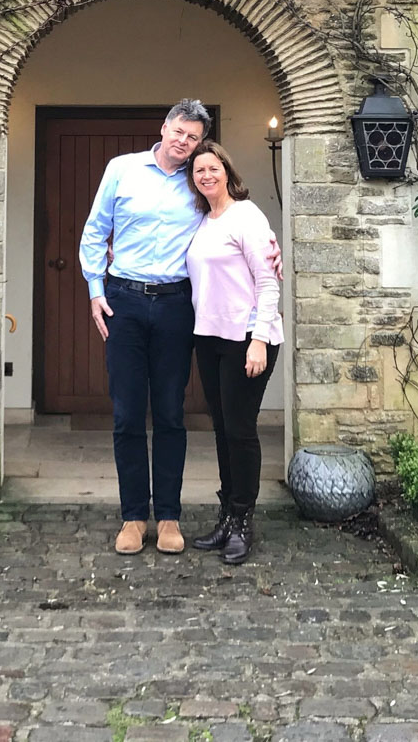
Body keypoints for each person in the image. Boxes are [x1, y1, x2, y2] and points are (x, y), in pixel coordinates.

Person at [80, 99, 212, 555]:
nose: (184, 141)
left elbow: (227, 219)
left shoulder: (200, 180)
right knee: (128, 413)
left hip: (177, 304)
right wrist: (96, 290)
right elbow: (96, 231)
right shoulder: (123, 169)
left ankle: (170, 517)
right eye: (179, 131)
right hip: (124, 303)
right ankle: (134, 516)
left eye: (193, 137)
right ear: (164, 127)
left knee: (172, 414)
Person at [185, 139, 282, 564]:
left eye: (212, 167)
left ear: (227, 170)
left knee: (241, 430)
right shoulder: (203, 221)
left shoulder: (247, 216)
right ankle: (227, 515)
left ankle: (243, 520)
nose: (206, 175)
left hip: (247, 339)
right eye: (198, 170)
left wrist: (259, 338)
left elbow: (268, 281)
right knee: (222, 429)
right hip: (209, 338)